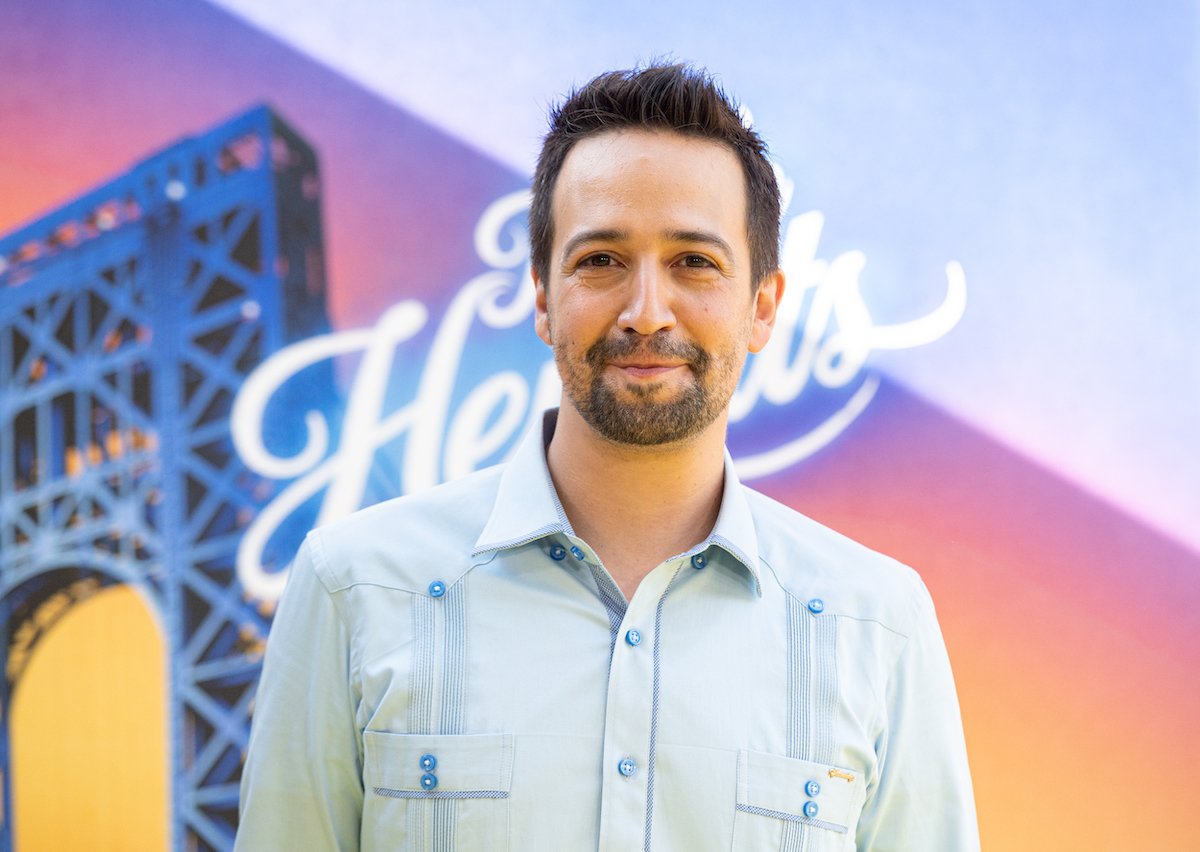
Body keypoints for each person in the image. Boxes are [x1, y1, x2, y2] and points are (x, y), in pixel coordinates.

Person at [236, 63, 978, 851]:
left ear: (762, 307)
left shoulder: (878, 625)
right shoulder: (353, 587)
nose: (645, 312)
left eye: (695, 261)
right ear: (544, 299)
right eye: (601, 260)